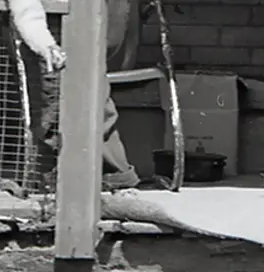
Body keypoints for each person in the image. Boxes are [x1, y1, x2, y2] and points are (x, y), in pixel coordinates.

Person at [8, 0, 157, 192]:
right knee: (63, 105)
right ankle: (66, 177)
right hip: (54, 26)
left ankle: (100, 176)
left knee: (69, 105)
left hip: (73, 24)